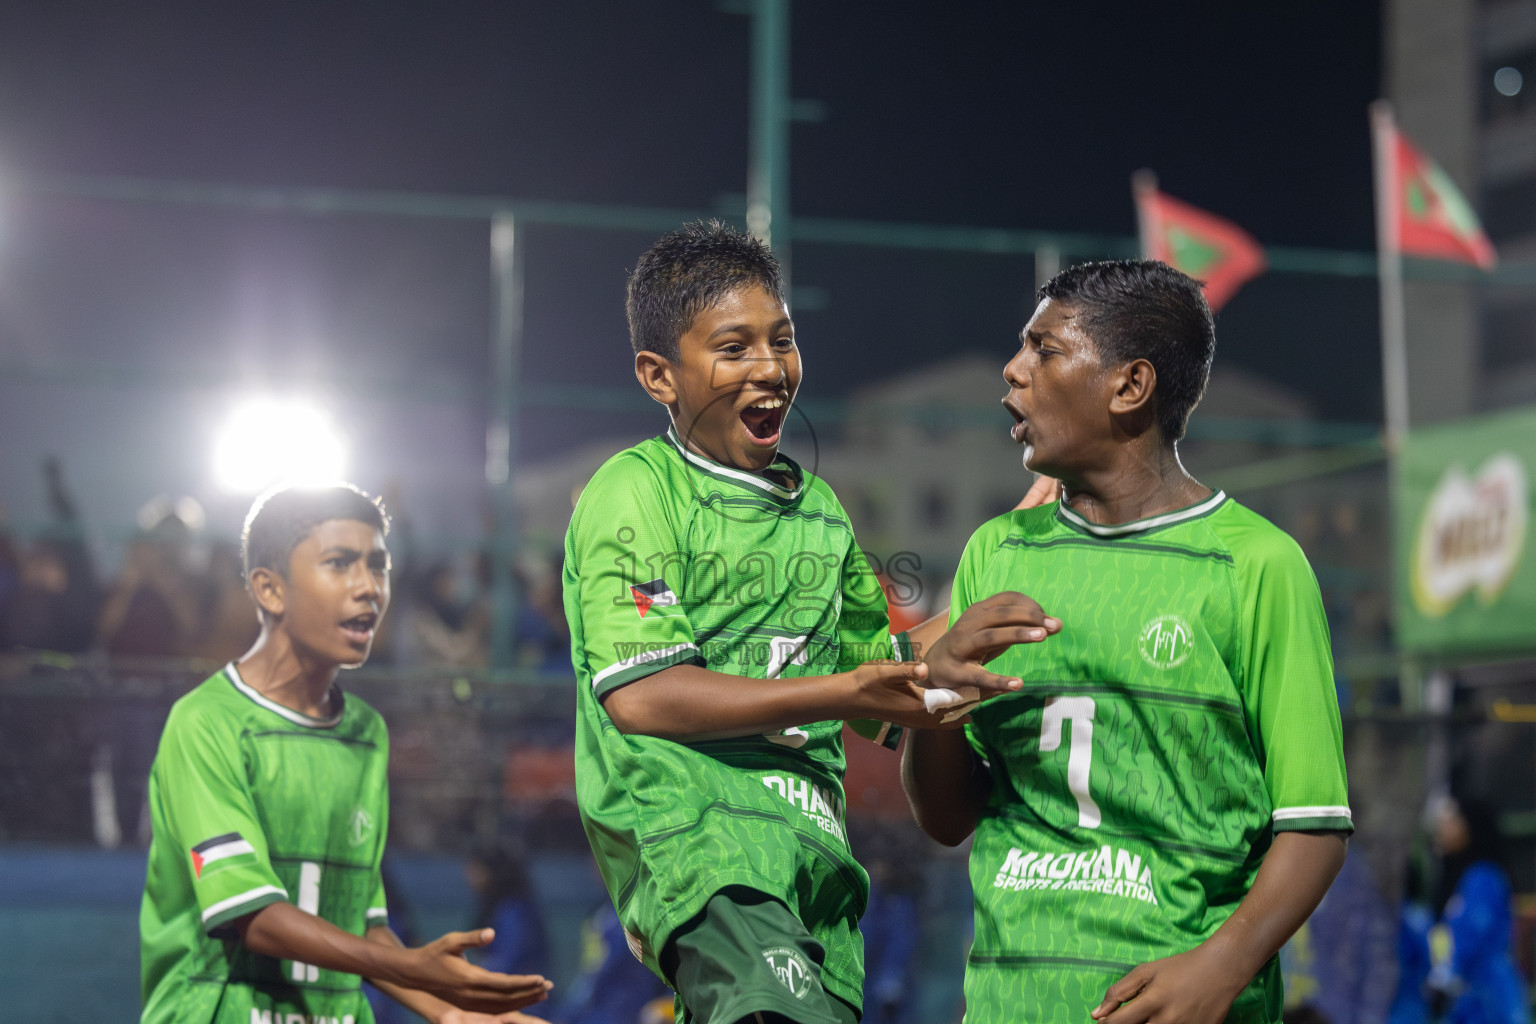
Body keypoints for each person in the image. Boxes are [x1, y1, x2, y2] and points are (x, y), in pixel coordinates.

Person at [563, 222, 1040, 1024]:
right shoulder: (635, 490)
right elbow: (643, 696)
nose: (770, 368)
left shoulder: (816, 508)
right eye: (734, 347)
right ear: (659, 375)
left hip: (815, 866)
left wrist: (1017, 557)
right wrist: (844, 688)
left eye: (781, 340)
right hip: (702, 846)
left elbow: (879, 672)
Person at [903, 260, 1353, 1024]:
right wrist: (936, 693)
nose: (1013, 371)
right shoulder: (997, 552)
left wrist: (1223, 966)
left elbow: (1313, 826)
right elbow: (948, 817)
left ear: (1130, 386)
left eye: (1044, 350)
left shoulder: (1256, 565)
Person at [140, 483, 553, 1024]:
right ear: (270, 590)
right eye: (339, 564)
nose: (369, 589)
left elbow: (358, 919)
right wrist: (415, 969)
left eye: (377, 567)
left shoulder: (364, 732)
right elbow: (255, 918)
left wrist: (452, 1015)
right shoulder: (207, 723)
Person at [1389, 794, 1529, 1024]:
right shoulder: (1454, 878)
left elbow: (1468, 937)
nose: (1443, 825)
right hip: (1465, 1003)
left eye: (1452, 818)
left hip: (1488, 1003)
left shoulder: (1484, 877)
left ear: (1471, 825)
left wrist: (1442, 980)